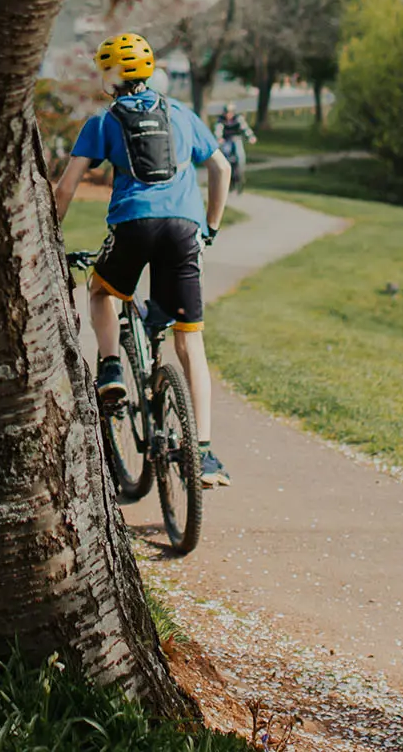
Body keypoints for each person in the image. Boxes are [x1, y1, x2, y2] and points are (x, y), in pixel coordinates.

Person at [51, 32, 234, 487]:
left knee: (101, 291)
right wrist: (209, 228)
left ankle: (111, 365)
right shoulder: (181, 114)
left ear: (108, 78)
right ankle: (205, 453)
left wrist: (52, 233)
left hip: (133, 226)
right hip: (184, 230)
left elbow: (67, 185)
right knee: (190, 342)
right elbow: (222, 168)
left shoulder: (104, 121)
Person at [213, 102, 255, 191]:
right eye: (227, 112)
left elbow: (245, 129)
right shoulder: (221, 120)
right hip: (226, 140)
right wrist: (219, 138)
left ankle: (241, 174)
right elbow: (218, 130)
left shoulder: (238, 119)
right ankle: (228, 175)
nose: (228, 114)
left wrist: (251, 137)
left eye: (230, 112)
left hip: (236, 139)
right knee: (226, 155)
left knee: (240, 156)